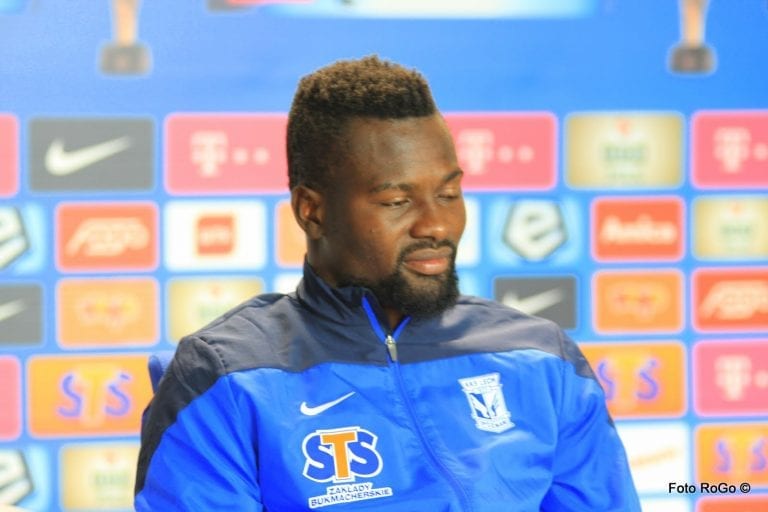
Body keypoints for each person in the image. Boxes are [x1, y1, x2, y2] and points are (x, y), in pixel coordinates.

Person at [135, 55, 641, 511]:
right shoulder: (225, 377)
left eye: (448, 194)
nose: (436, 225)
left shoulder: (542, 358)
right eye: (397, 202)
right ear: (312, 211)